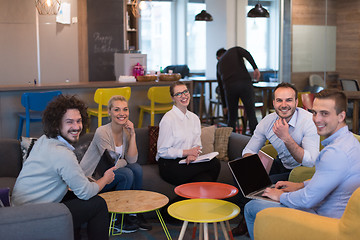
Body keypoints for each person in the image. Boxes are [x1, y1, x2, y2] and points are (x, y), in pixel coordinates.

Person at [244, 89, 360, 240]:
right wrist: (300, 185)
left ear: (341, 116)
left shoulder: (334, 153)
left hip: (324, 220)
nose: (317, 119)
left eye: (325, 113)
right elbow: (332, 178)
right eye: (314, 112)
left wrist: (280, 196)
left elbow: (307, 200)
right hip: (331, 208)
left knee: (251, 208)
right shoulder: (350, 141)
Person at [12, 95, 115, 240]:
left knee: (75, 197)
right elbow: (85, 192)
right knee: (98, 204)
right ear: (56, 124)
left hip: (18, 210)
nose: (76, 127)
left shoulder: (44, 139)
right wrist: (105, 179)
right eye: (69, 122)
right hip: (34, 217)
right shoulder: (62, 154)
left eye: (79, 121)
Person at [232, 82, 320, 236]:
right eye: (279, 100)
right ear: (273, 102)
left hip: (299, 171)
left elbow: (309, 161)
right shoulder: (268, 121)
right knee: (240, 175)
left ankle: (250, 221)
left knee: (264, 185)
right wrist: (251, 168)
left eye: (289, 100)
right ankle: (247, 218)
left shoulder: (308, 121)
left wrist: (286, 138)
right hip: (281, 162)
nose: (284, 105)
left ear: (296, 102)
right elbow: (249, 150)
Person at [80, 95, 150, 232]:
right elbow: (111, 164)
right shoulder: (102, 132)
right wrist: (123, 161)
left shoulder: (126, 132)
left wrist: (133, 135)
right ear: (109, 112)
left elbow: (132, 160)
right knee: (127, 173)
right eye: (117, 110)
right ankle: (116, 219)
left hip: (110, 175)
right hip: (94, 178)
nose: (122, 113)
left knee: (136, 168)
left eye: (125, 109)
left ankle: (134, 214)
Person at [156, 81, 221, 186]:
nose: (184, 96)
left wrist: (193, 154)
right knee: (213, 166)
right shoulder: (168, 119)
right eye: (178, 94)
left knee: (208, 173)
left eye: (185, 92)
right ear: (173, 98)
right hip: (169, 164)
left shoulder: (194, 118)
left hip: (188, 161)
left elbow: (197, 145)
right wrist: (186, 152)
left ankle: (177, 202)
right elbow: (162, 152)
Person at [216, 47, 261, 134]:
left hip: (229, 88)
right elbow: (247, 54)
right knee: (251, 113)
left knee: (232, 117)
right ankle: (256, 139)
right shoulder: (235, 50)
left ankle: (229, 141)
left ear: (218, 57)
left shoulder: (219, 64)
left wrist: (225, 106)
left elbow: (221, 87)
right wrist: (255, 68)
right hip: (244, 84)